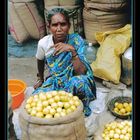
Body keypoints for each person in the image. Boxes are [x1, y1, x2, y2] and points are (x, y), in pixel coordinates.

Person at [33, 8, 96, 116]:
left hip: (75, 78)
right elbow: (40, 60)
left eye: (63, 24)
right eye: (54, 25)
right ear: (49, 27)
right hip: (56, 80)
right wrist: (40, 79)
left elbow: (81, 72)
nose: (59, 29)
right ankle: (65, 102)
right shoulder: (44, 43)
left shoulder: (77, 41)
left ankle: (74, 106)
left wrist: (72, 51)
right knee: (37, 98)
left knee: (78, 83)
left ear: (69, 26)